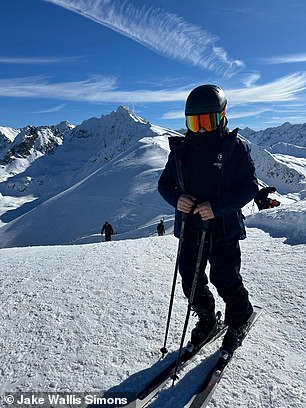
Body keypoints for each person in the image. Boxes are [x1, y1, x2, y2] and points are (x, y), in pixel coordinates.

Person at [158, 84, 259, 355]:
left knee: (225, 278)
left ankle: (240, 316)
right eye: (195, 122)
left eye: (207, 121)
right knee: (190, 279)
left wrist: (218, 207)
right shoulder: (180, 151)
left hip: (223, 230)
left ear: (222, 115)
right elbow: (164, 184)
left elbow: (250, 186)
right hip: (190, 229)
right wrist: (176, 199)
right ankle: (207, 317)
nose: (201, 128)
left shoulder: (234, 149)